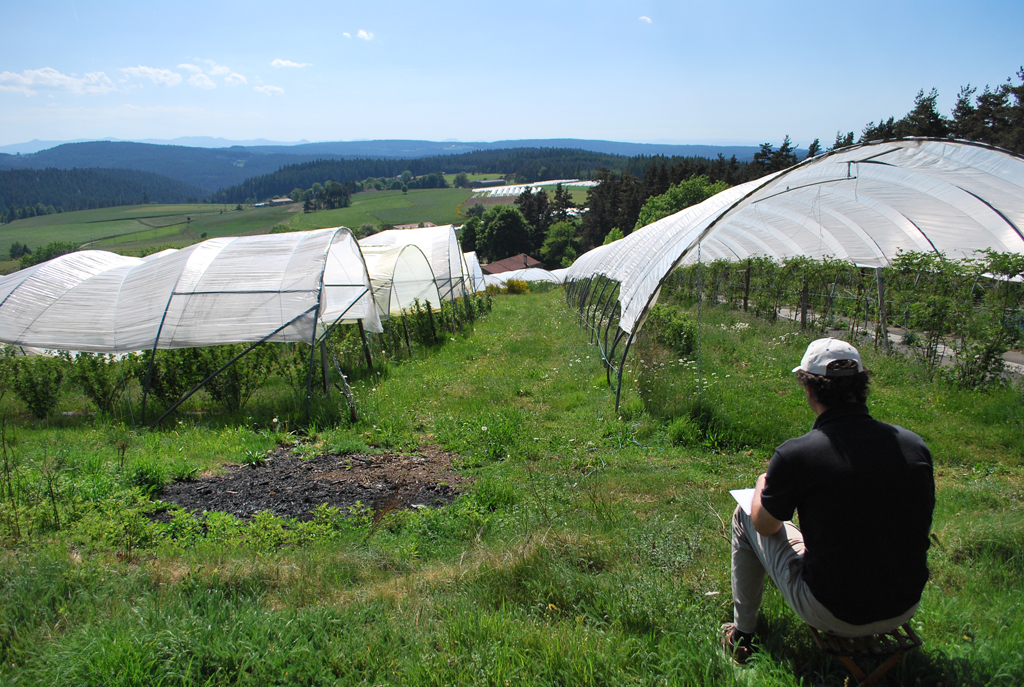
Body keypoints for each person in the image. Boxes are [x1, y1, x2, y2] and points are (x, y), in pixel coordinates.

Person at [723, 338, 935, 663]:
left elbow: (764, 525)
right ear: (862, 385)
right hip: (904, 604)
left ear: (809, 390)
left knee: (744, 514)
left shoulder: (797, 454)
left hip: (833, 611)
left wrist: (762, 482)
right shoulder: (914, 446)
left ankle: (742, 634)